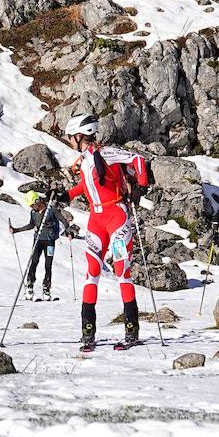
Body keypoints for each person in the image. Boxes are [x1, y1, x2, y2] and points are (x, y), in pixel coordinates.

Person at [63, 112, 150, 352]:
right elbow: (87, 186)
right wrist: (66, 195)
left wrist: (140, 187)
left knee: (122, 271)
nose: (70, 142)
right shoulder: (85, 160)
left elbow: (138, 160)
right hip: (96, 220)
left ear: (81, 135)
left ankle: (131, 331)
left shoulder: (104, 152)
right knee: (92, 273)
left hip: (116, 216)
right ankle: (88, 333)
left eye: (71, 137)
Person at [11, 189, 63, 301]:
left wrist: (69, 232)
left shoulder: (51, 210)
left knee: (48, 264)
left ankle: (46, 289)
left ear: (38, 201)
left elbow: (64, 220)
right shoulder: (33, 213)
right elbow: (31, 225)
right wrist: (16, 230)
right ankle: (30, 286)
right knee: (34, 262)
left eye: (32, 205)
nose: (31, 208)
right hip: (37, 240)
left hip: (49, 241)